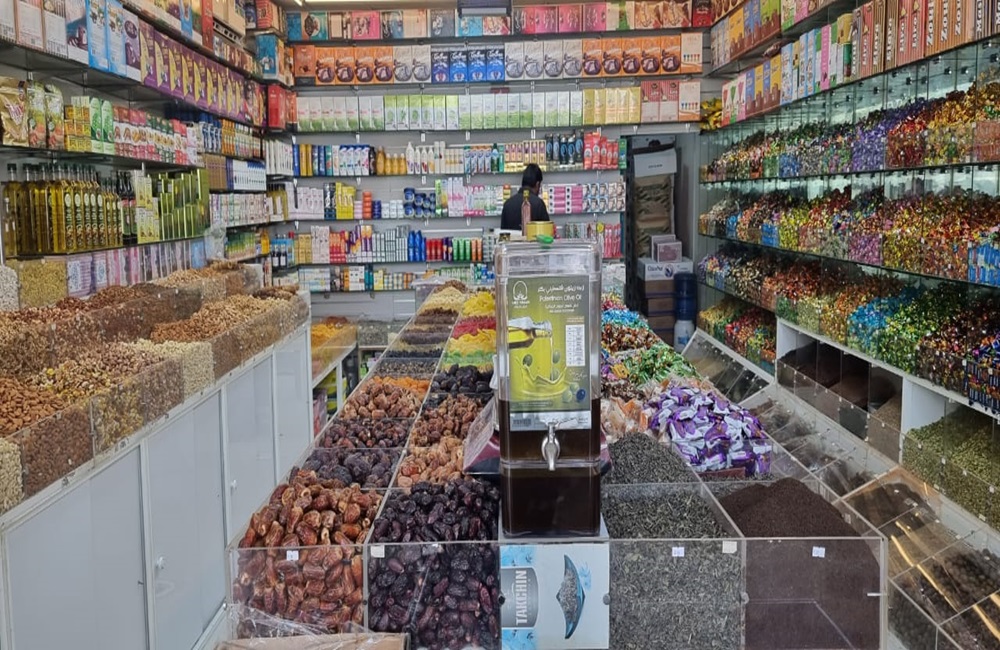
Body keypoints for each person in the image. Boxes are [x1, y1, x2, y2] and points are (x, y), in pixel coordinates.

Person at [500, 164, 550, 231]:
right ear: (537, 184)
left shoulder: (508, 204)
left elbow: (503, 233)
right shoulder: (539, 204)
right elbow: (546, 233)